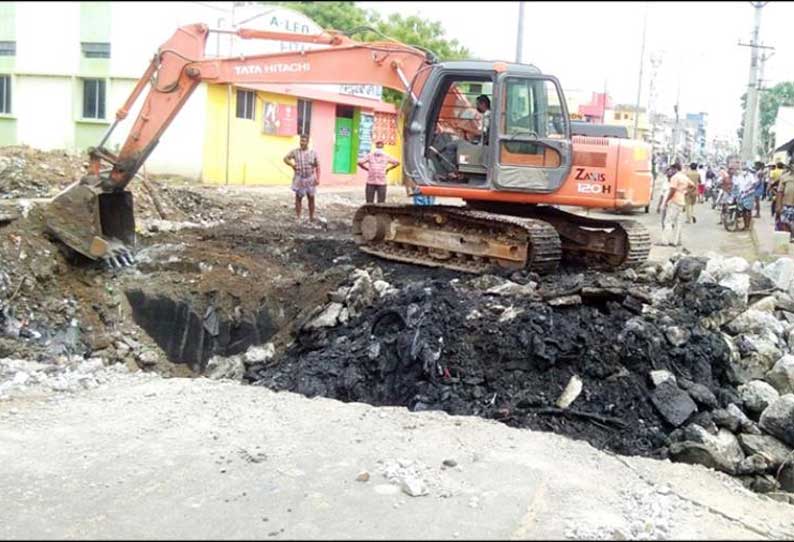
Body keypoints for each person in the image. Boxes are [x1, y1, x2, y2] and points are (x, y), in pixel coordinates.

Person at [283, 134, 320, 222]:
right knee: (298, 198)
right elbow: (285, 159)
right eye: (301, 141)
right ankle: (298, 217)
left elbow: (317, 166)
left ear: (307, 142)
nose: (301, 143)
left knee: (311, 198)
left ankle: (311, 217)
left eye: (304, 141)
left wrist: (318, 178)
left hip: (310, 178)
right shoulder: (295, 152)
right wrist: (292, 165)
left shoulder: (313, 153)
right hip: (299, 178)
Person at [661, 163, 695, 247]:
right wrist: (686, 192)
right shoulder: (684, 177)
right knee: (678, 222)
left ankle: (665, 241)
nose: (671, 171)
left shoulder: (675, 177)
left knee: (668, 221)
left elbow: (672, 190)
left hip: (674, 201)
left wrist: (666, 201)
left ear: (675, 169)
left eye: (672, 169)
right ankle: (676, 241)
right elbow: (693, 186)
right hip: (681, 200)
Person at [774, 161, 794, 240]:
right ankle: (788, 239)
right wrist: (778, 206)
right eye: (792, 164)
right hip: (787, 205)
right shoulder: (784, 177)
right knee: (785, 223)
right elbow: (780, 192)